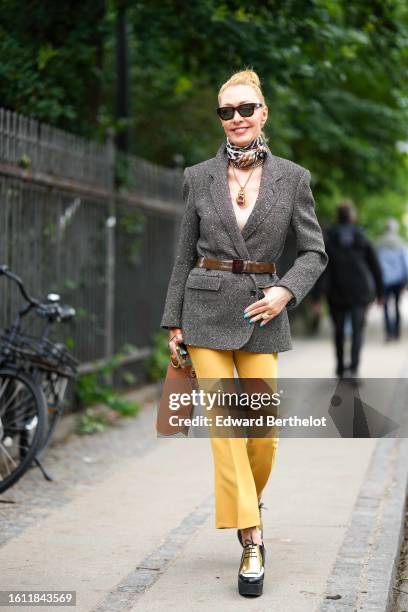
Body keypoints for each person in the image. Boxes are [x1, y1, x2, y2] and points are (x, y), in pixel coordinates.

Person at [160, 69, 328, 597]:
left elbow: (314, 251)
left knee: (264, 432)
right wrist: (174, 322)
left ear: (263, 113)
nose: (236, 119)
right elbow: (183, 252)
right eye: (226, 111)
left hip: (262, 311)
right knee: (227, 429)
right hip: (205, 307)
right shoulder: (197, 176)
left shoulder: (294, 178)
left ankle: (248, 505)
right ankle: (251, 537)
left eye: (245, 109)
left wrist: (286, 292)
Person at [312, 201, 384, 378]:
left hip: (336, 292)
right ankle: (353, 369)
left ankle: (340, 368)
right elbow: (375, 267)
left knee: (338, 331)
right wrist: (381, 293)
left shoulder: (330, 240)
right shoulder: (362, 238)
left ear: (337, 217)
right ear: (352, 217)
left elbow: (322, 270)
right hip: (359, 292)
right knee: (358, 332)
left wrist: (316, 298)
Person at [375, 218, 408, 341]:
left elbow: (376, 264)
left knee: (385, 307)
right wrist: (406, 280)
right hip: (398, 281)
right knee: (397, 306)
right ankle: (397, 332)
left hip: (384, 280)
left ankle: (389, 332)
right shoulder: (401, 243)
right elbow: (406, 263)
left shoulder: (379, 243)